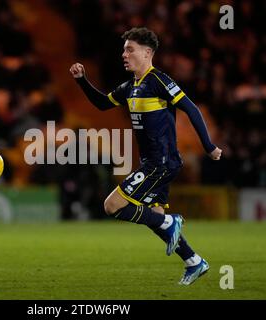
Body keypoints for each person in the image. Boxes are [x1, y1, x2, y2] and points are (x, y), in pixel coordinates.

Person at [69, 27, 222, 285]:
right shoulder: (131, 86)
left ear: (148, 52)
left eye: (130, 49)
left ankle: (170, 222)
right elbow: (103, 104)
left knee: (112, 205)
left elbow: (191, 109)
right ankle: (194, 261)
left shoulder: (158, 80)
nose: (124, 54)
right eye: (124, 49)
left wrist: (208, 146)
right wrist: (82, 80)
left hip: (161, 163)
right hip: (152, 163)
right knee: (155, 217)